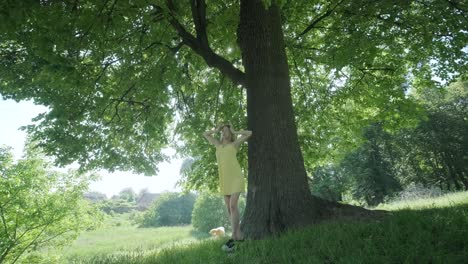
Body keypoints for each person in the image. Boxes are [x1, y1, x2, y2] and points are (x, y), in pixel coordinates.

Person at [203, 122, 252, 251]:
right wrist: (216, 129)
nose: (224, 132)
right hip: (224, 180)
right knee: (230, 210)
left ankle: (234, 236)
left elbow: (249, 133)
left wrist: (235, 131)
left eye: (227, 131)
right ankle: (239, 235)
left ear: (230, 134)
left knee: (233, 205)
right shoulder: (218, 145)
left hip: (236, 177)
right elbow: (204, 134)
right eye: (223, 131)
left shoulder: (234, 144)